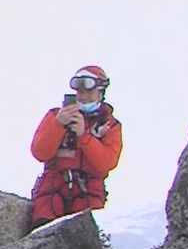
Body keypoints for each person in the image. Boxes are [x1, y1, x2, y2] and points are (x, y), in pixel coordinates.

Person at [29, 65, 123, 228]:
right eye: (80, 92)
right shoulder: (55, 116)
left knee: (83, 242)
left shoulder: (109, 125)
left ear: (101, 92)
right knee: (42, 235)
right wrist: (58, 124)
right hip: (52, 190)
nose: (83, 96)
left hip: (88, 193)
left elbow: (106, 164)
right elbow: (39, 153)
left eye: (89, 92)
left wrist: (84, 136)